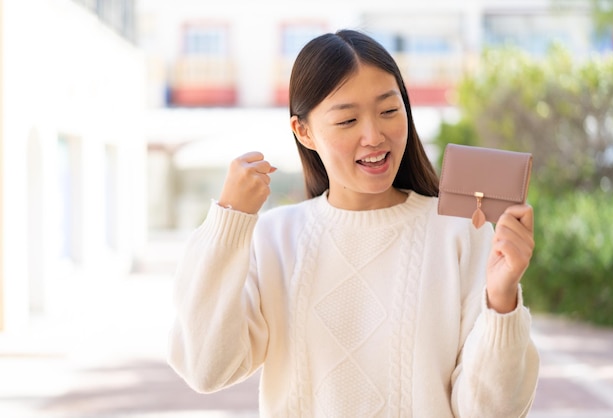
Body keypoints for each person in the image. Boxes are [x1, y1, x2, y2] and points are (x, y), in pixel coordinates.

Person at [167, 29, 540, 417]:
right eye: (347, 120)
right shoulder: (275, 238)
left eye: (390, 111)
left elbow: (490, 412)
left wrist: (502, 300)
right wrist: (228, 221)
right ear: (304, 131)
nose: (374, 135)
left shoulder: (462, 231)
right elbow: (206, 369)